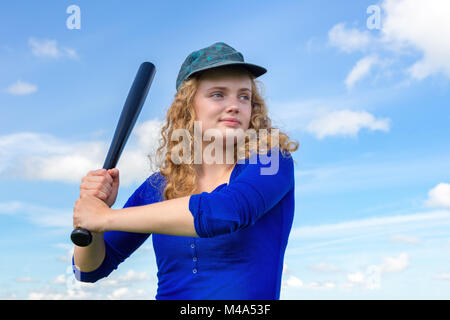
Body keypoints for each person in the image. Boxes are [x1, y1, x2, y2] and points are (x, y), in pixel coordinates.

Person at [72, 41, 299, 300]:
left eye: (244, 96)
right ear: (188, 107)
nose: (235, 105)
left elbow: (226, 211)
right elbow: (87, 271)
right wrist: (93, 223)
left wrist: (104, 218)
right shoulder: (159, 186)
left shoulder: (272, 161)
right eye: (218, 94)